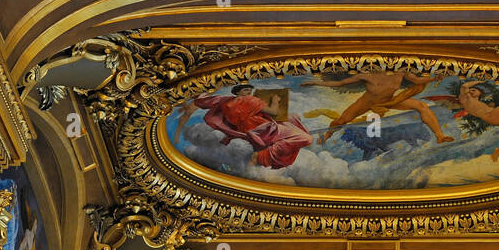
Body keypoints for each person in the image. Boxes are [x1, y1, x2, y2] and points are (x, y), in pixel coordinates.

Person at [179, 83, 313, 169]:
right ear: (238, 92)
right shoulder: (251, 100)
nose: (249, 93)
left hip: (246, 130)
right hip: (263, 129)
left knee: (293, 118)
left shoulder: (224, 101)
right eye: (246, 90)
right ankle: (264, 155)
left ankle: (277, 143)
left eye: (250, 90)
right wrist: (275, 100)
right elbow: (274, 112)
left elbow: (204, 101)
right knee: (306, 138)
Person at [305, 70, 453, 144]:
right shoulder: (366, 75)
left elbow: (418, 79)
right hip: (366, 103)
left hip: (388, 101)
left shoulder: (400, 72)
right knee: (341, 120)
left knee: (421, 106)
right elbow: (340, 84)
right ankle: (327, 135)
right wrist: (316, 83)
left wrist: (434, 77)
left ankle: (440, 136)